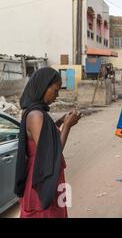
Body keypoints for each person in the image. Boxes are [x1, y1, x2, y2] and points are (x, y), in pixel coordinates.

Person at [14, 67, 82, 218]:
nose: (56, 96)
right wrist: (67, 126)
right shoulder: (36, 115)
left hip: (48, 175)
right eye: (55, 90)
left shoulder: (37, 112)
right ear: (44, 86)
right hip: (42, 178)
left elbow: (46, 137)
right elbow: (51, 153)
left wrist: (59, 122)